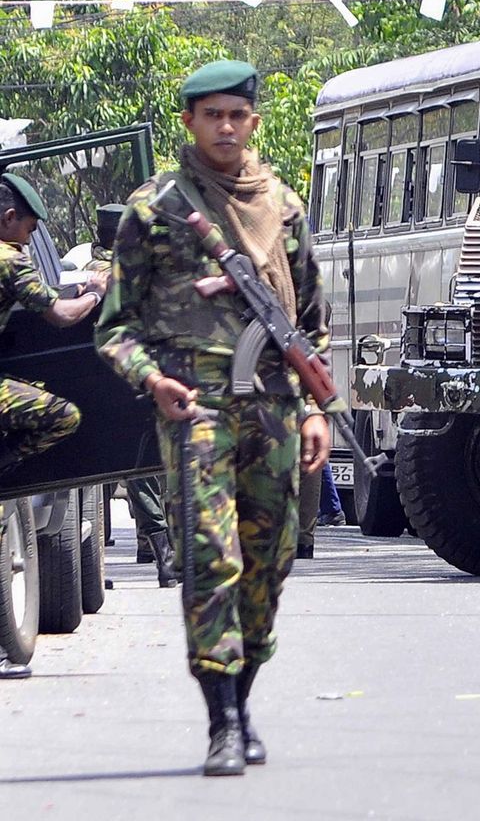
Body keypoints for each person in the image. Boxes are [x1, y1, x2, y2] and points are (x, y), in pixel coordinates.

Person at [95, 59, 332, 776]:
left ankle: (244, 698)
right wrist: (152, 379)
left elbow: (311, 323)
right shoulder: (155, 208)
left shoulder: (283, 206)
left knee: (268, 563)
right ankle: (222, 721)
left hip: (276, 406)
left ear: (253, 122)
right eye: (212, 116)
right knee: (210, 557)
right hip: (196, 405)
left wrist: (318, 409)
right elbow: (115, 327)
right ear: (190, 122)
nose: (225, 128)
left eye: (236, 115)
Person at [0, 173, 109, 681]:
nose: (29, 238)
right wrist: (95, 294)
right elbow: (61, 314)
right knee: (64, 415)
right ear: (8, 218)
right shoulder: (8, 258)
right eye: (28, 227)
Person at [85, 205, 178, 588]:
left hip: (116, 384)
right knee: (145, 467)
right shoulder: (122, 271)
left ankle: (150, 548)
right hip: (136, 380)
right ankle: (163, 552)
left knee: (109, 476)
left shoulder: (96, 272)